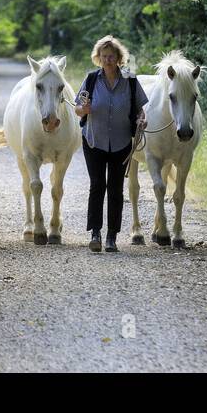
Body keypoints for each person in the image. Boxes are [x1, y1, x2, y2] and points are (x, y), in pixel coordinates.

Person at [73, 35, 147, 253]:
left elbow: (139, 109)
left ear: (119, 58)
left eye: (111, 56)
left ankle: (111, 237)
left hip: (121, 143)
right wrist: (82, 110)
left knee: (116, 190)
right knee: (97, 186)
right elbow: (78, 107)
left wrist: (141, 119)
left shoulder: (130, 81)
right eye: (103, 56)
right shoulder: (91, 80)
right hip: (94, 141)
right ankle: (95, 233)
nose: (107, 60)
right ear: (98, 58)